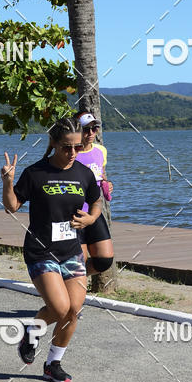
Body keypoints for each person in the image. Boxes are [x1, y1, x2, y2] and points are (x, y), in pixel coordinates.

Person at [1, 116, 101, 382]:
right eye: (66, 147)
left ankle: (53, 364)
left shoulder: (83, 173)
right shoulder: (36, 173)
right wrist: (8, 182)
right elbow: (12, 206)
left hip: (71, 251)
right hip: (41, 250)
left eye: (77, 147)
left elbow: (96, 201)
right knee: (58, 308)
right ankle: (31, 334)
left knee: (73, 311)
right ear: (54, 144)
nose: (72, 153)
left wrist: (91, 219)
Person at [73, 110, 114, 277]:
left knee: (104, 260)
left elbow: (101, 176)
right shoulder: (71, 153)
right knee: (78, 263)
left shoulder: (100, 151)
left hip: (95, 212)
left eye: (94, 128)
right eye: (85, 129)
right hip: (75, 214)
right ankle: (70, 290)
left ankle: (68, 279)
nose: (90, 133)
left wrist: (107, 184)